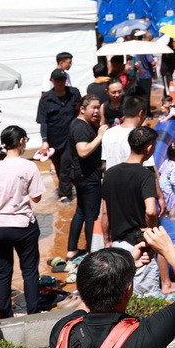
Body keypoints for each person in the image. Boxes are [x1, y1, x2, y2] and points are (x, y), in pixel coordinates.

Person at [47, 227, 175, 348]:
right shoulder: (145, 336)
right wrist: (167, 250)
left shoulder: (63, 331)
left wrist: (125, 267)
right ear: (128, 290)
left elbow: (87, 299)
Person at [0, 126, 43, 319]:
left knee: (2, 272)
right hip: (21, 224)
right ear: (22, 141)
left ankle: (5, 314)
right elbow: (37, 198)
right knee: (30, 271)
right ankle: (33, 312)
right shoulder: (28, 166)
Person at [101, 127, 165, 297]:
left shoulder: (110, 174)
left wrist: (107, 239)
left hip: (118, 244)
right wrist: (151, 233)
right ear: (149, 147)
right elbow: (151, 211)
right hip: (140, 244)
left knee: (125, 295)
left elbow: (105, 213)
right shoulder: (145, 176)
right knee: (148, 298)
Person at [65, 95, 107, 260]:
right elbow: (83, 151)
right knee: (91, 215)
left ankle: (72, 249)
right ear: (82, 109)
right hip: (88, 177)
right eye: (93, 108)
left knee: (81, 212)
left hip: (81, 175)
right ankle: (92, 252)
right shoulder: (81, 127)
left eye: (98, 107)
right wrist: (100, 136)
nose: (96, 111)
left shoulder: (82, 124)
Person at [36, 69, 82, 203]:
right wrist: (44, 141)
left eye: (62, 80)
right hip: (54, 138)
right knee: (59, 167)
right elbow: (43, 121)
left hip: (70, 136)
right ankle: (67, 186)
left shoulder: (74, 93)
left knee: (66, 164)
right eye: (57, 80)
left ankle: (64, 194)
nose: (60, 83)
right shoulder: (46, 99)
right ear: (52, 81)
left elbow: (80, 111)